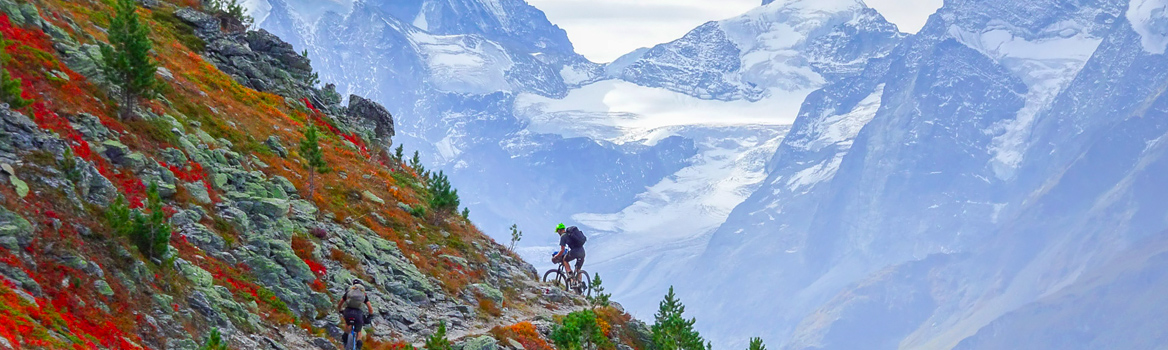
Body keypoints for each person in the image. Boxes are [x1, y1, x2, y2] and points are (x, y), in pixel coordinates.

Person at [338, 279, 374, 348]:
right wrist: (370, 315)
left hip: (348, 312)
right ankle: (358, 345)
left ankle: (345, 336)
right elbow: (370, 307)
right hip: (358, 314)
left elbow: (340, 303)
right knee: (359, 331)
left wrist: (340, 310)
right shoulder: (363, 294)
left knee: (347, 323)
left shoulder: (349, 292)